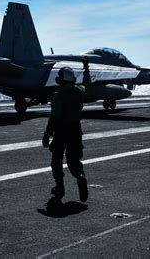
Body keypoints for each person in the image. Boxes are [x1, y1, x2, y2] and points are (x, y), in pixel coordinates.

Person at [42, 56, 91, 202]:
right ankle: (80, 177)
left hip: (62, 131)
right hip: (76, 130)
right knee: (74, 160)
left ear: (61, 80)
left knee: (56, 159)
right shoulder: (80, 92)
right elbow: (87, 85)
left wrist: (46, 135)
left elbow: (54, 118)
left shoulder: (58, 95)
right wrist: (86, 69)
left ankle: (60, 187)